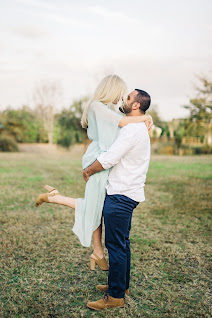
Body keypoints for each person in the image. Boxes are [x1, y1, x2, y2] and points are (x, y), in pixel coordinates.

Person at [35, 75, 153, 271]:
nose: (122, 98)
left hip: (102, 157)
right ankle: (54, 199)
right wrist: (146, 117)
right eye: (121, 93)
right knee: (93, 205)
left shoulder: (104, 108)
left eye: (127, 96)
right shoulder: (97, 106)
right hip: (99, 158)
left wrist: (142, 118)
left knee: (97, 205)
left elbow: (121, 123)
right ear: (112, 90)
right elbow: (123, 122)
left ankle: (97, 251)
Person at [83, 89, 151, 310]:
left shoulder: (133, 130)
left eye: (128, 98)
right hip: (127, 193)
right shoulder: (134, 126)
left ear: (135, 106)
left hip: (121, 195)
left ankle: (114, 298)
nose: (124, 99)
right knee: (123, 243)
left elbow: (110, 158)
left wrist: (89, 171)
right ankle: (121, 286)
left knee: (116, 246)